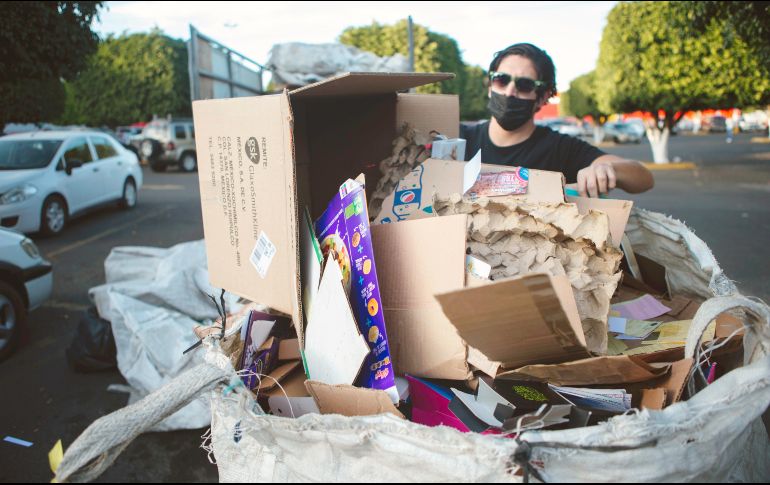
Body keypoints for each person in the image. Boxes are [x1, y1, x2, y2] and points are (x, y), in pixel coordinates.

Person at [461, 43, 654, 198]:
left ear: (543, 97)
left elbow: (644, 178)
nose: (510, 91)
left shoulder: (561, 149)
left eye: (525, 84)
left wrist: (607, 169)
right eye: (501, 80)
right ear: (490, 86)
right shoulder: (458, 140)